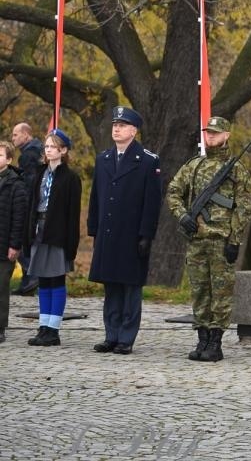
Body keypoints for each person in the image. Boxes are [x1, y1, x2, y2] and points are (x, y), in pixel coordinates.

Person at [167, 116, 251, 363]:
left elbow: (244, 207)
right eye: (208, 132)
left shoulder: (236, 169)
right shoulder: (193, 166)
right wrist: (182, 215)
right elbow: (173, 191)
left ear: (227, 135)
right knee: (199, 292)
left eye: (215, 133)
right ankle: (202, 339)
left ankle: (215, 343)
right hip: (196, 240)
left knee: (221, 293)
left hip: (220, 240)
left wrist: (234, 240)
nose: (211, 136)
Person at [87, 106, 163, 355]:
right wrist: (93, 229)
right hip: (108, 233)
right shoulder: (103, 159)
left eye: (122, 125)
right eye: (114, 125)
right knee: (111, 287)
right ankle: (111, 335)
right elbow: (96, 197)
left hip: (131, 235)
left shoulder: (148, 161)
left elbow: (152, 202)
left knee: (130, 288)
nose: (116, 129)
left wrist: (146, 235)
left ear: (134, 131)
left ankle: (126, 338)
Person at [25, 128, 82, 346]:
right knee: (43, 279)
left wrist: (71, 245)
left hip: (58, 233)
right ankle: (43, 325)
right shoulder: (40, 173)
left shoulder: (70, 178)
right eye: (46, 146)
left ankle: (53, 329)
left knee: (56, 278)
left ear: (63, 150)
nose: (48, 150)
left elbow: (73, 214)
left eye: (53, 147)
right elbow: (32, 203)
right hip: (39, 229)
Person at [0, 140, 28, 342]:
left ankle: (0, 326)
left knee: (1, 287)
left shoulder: (16, 184)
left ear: (9, 160)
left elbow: (19, 218)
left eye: (0, 155)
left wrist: (14, 245)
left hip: (4, 244)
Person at [11, 121, 42, 293]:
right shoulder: (37, 151)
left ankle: (32, 275)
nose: (13, 138)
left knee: (21, 240)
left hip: (30, 205)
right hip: (37, 204)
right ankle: (26, 282)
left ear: (26, 135)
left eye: (16, 134)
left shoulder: (28, 155)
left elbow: (29, 184)